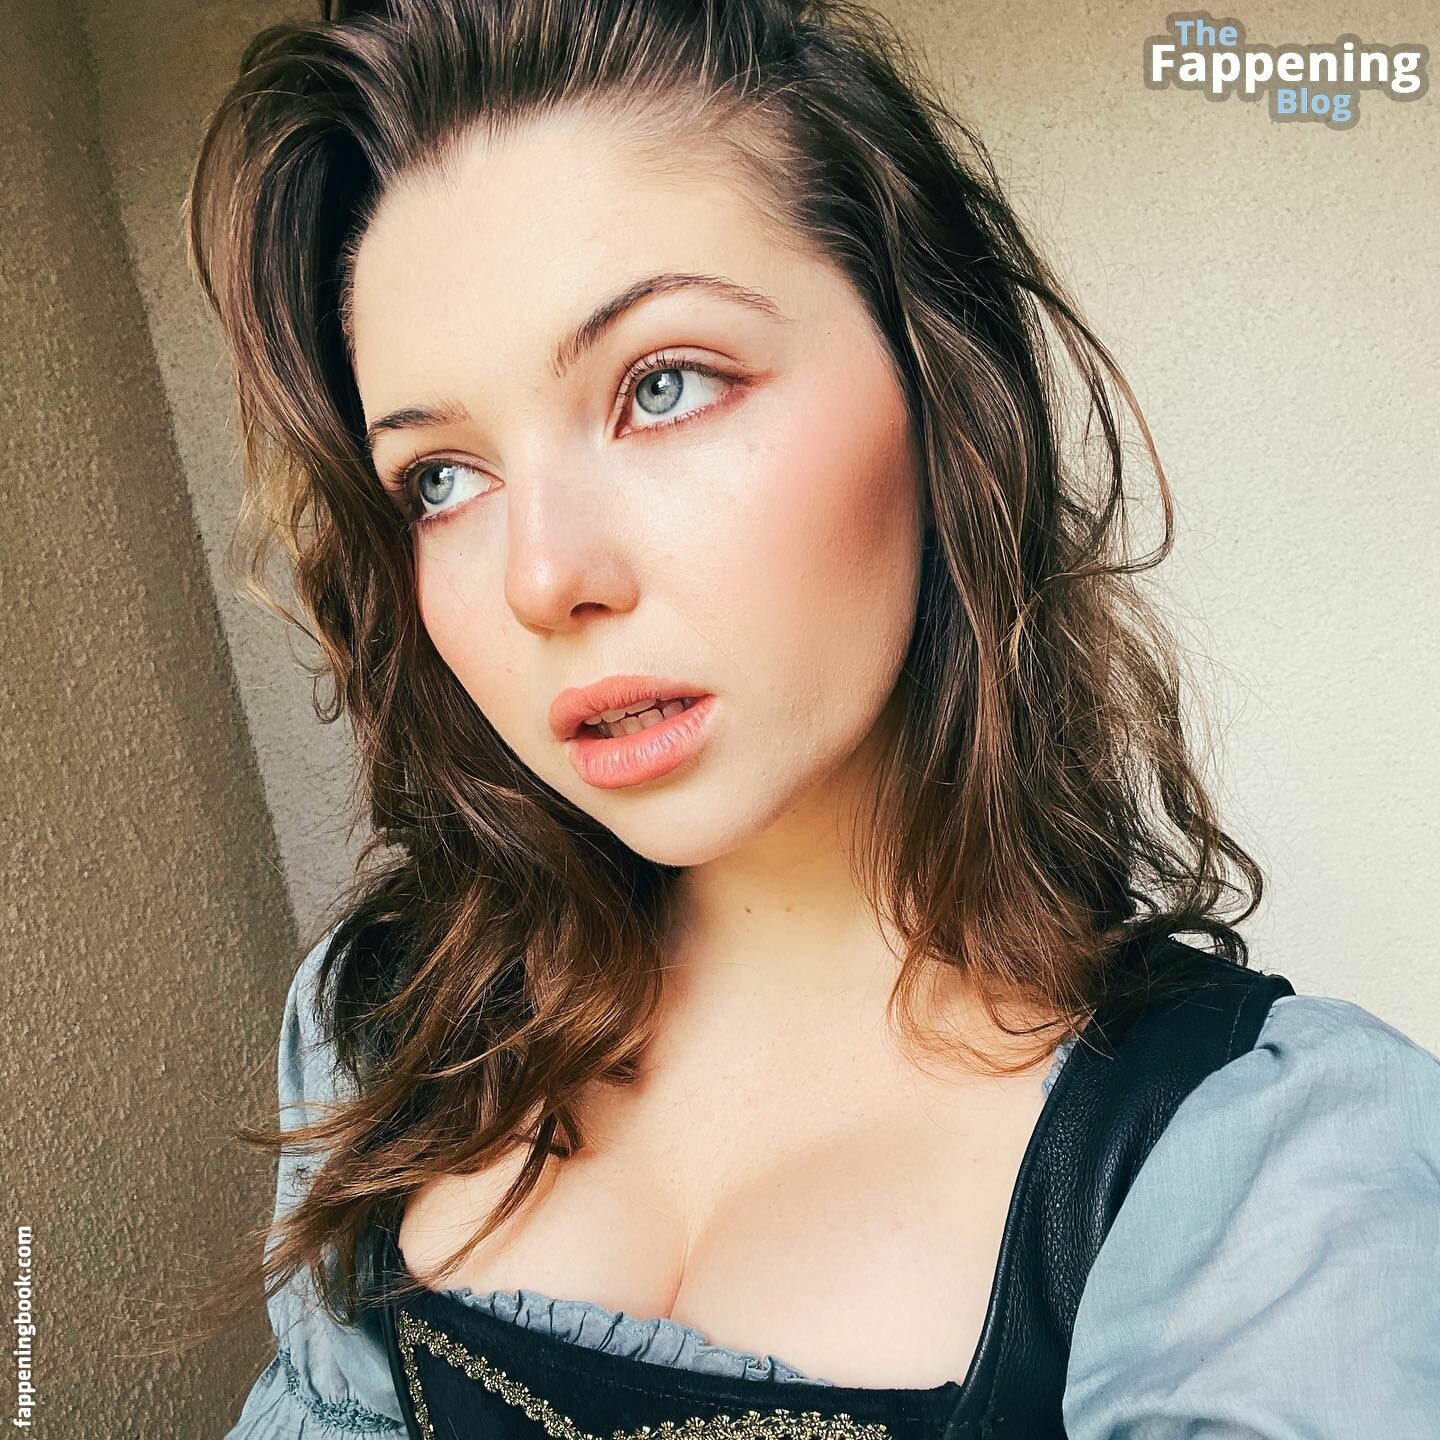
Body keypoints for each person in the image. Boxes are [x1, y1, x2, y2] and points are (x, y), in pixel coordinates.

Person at [180, 1, 1440, 1436]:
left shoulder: (1268, 1177)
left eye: (663, 386)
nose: (541, 579)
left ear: (940, 384)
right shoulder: (392, 1021)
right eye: (442, 479)